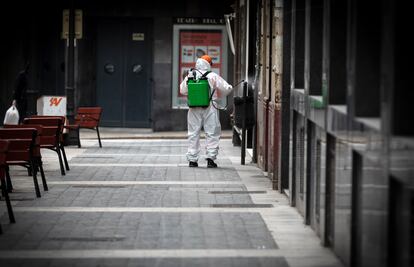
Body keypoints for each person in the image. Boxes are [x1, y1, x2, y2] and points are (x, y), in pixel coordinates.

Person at [180, 55, 233, 168]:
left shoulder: (190, 75)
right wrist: (218, 94)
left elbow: (182, 90)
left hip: (193, 107)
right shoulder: (212, 75)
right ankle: (210, 159)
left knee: (193, 133)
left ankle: (192, 160)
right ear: (209, 64)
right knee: (212, 132)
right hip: (210, 107)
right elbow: (227, 88)